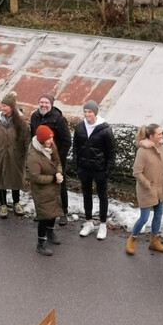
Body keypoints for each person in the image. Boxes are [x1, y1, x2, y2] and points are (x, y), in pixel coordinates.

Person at [0, 91, 29, 218]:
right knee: (0, 179)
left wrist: (27, 156)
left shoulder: (21, 123)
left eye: (5, 106)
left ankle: (16, 203)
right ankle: (3, 204)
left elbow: (26, 140)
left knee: (15, 180)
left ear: (12, 108)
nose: (2, 108)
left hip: (16, 157)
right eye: (2, 105)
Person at [73, 100, 115, 240]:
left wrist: (107, 171)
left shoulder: (105, 129)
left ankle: (103, 224)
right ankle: (89, 222)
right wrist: (77, 166)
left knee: (102, 196)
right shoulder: (80, 127)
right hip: (84, 169)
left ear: (95, 113)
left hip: (99, 170)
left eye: (90, 112)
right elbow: (76, 149)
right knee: (86, 195)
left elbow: (111, 152)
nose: (87, 114)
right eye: (85, 111)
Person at [30, 94, 72, 225]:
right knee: (42, 186)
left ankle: (63, 212)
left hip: (55, 159)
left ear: (51, 104)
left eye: (46, 103)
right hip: (40, 157)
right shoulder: (34, 116)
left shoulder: (59, 119)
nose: (43, 105)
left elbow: (67, 140)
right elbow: (33, 136)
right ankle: (42, 213)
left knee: (60, 184)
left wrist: (58, 156)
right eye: (41, 102)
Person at [127, 123, 163, 255]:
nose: (162, 136)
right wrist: (147, 185)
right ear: (151, 136)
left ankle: (154, 241)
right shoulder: (142, 151)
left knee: (159, 215)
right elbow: (137, 172)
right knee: (144, 218)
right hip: (147, 189)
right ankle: (132, 239)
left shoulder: (161, 147)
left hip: (160, 187)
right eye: (159, 134)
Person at [27, 125, 64, 256]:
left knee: (53, 211)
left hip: (53, 187)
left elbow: (58, 162)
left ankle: (50, 231)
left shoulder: (51, 147)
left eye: (51, 137)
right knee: (44, 216)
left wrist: (59, 173)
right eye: (48, 139)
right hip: (42, 190)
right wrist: (53, 178)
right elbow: (35, 177)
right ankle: (41, 244)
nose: (51, 141)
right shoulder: (33, 156)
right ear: (42, 140)